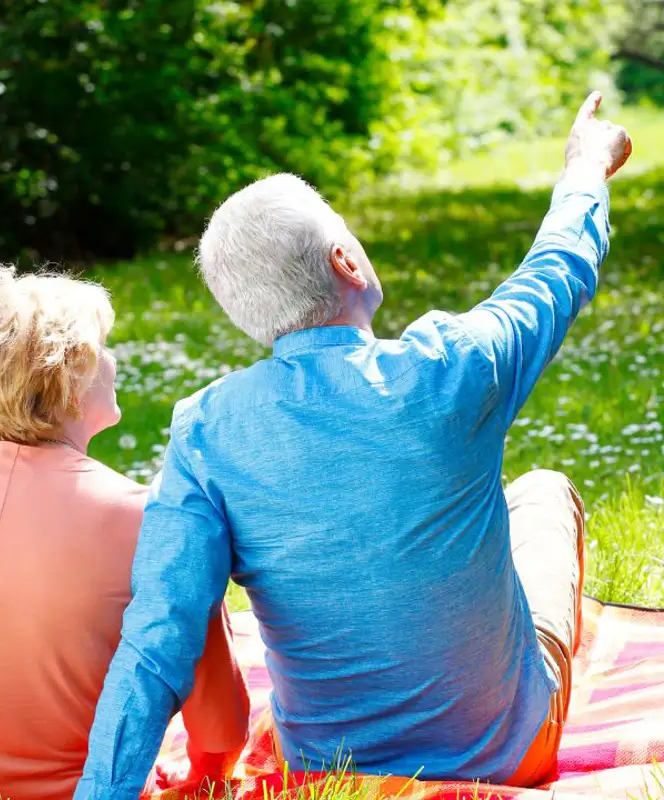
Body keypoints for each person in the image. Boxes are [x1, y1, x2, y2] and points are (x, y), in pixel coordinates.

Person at [76, 92, 632, 799]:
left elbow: (160, 633)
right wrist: (586, 165)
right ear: (346, 260)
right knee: (543, 492)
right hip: (504, 754)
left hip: (326, 771)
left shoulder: (206, 428)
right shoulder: (451, 368)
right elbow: (558, 269)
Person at [0, 267, 249, 800]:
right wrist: (208, 776)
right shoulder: (145, 519)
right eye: (103, 350)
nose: (114, 362)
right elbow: (217, 717)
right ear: (68, 380)